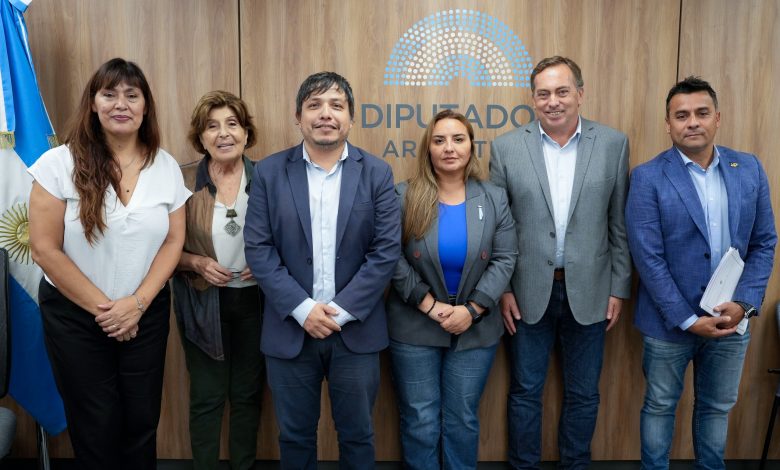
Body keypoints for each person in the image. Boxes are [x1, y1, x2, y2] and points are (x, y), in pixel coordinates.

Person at [28, 58, 189, 469]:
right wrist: (110, 311)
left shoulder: (166, 166)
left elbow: (174, 241)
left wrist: (136, 304)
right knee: (95, 424)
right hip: (75, 317)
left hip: (145, 313)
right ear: (93, 103)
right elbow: (44, 249)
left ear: (145, 107)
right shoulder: (57, 164)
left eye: (132, 95)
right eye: (109, 94)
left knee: (141, 421)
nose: (121, 104)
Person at [243, 71, 400, 470]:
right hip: (290, 329)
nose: (325, 114)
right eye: (314, 105)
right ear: (298, 116)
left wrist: (339, 312)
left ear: (351, 117)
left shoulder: (377, 172)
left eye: (336, 105)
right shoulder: (269, 173)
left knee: (358, 436)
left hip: (356, 331)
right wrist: (303, 310)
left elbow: (385, 252)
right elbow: (259, 249)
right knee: (294, 438)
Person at [626, 76, 776, 469]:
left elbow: (764, 243)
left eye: (701, 113)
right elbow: (648, 258)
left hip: (730, 321)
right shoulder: (647, 177)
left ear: (717, 118)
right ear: (668, 124)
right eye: (682, 115)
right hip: (668, 323)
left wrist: (744, 304)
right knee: (659, 405)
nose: (692, 122)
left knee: (716, 408)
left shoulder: (749, 168)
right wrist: (688, 319)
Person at [490, 56, 631, 469]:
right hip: (526, 292)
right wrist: (504, 290)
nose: (553, 101)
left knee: (584, 394)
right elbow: (499, 228)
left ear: (580, 95)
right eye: (543, 94)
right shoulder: (505, 148)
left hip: (591, 290)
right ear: (533, 99)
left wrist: (618, 287)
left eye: (562, 91)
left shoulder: (613, 144)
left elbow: (618, 223)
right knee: (525, 391)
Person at [387, 109, 517, 469]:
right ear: (427, 148)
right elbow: (390, 257)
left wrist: (472, 310)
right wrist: (428, 304)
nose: (449, 148)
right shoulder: (404, 195)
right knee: (421, 420)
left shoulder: (493, 198)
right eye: (439, 140)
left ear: (471, 146)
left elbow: (505, 258)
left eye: (458, 139)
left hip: (475, 327)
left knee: (462, 419)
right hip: (414, 325)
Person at [173, 91, 263, 470]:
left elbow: (293, 239)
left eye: (232, 124)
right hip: (202, 301)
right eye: (212, 126)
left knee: (247, 394)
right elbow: (160, 249)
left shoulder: (268, 178)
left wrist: (268, 264)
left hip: (258, 303)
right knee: (207, 396)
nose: (223, 134)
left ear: (246, 133)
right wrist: (195, 262)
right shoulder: (182, 181)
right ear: (201, 136)